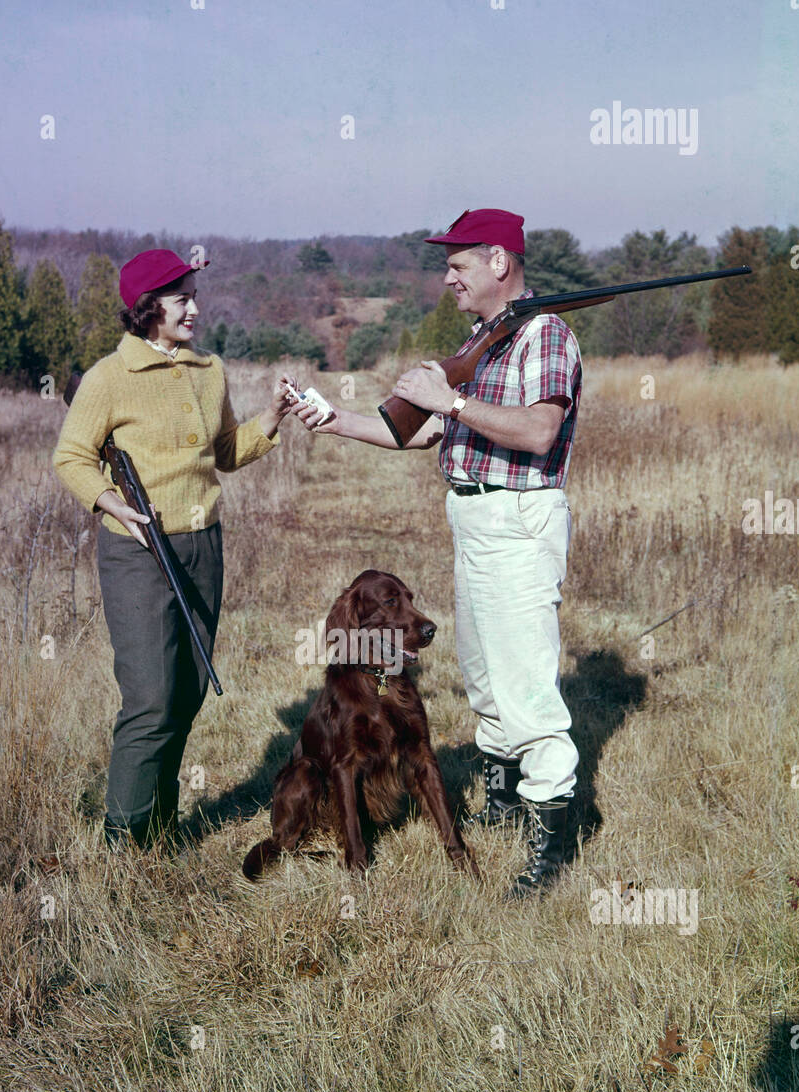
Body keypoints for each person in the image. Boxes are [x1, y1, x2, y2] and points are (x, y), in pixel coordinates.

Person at [288, 209, 582, 893]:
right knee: (484, 678)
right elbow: (418, 434)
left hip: (517, 518)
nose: (448, 278)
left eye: (458, 264)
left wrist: (450, 402)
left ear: (499, 262)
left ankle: (552, 840)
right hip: (474, 519)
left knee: (525, 685)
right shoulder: (484, 340)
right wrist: (333, 421)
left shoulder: (544, 335)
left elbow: (539, 431)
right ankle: (503, 804)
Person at [53, 248, 295, 849]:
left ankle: (158, 830)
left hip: (202, 546)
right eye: (181, 299)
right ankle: (122, 843)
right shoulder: (110, 377)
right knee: (150, 698)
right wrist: (109, 503)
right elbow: (72, 457)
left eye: (193, 297)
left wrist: (272, 415)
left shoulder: (210, 369)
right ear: (147, 307)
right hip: (137, 554)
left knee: (185, 693)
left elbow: (225, 452)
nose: (194, 309)